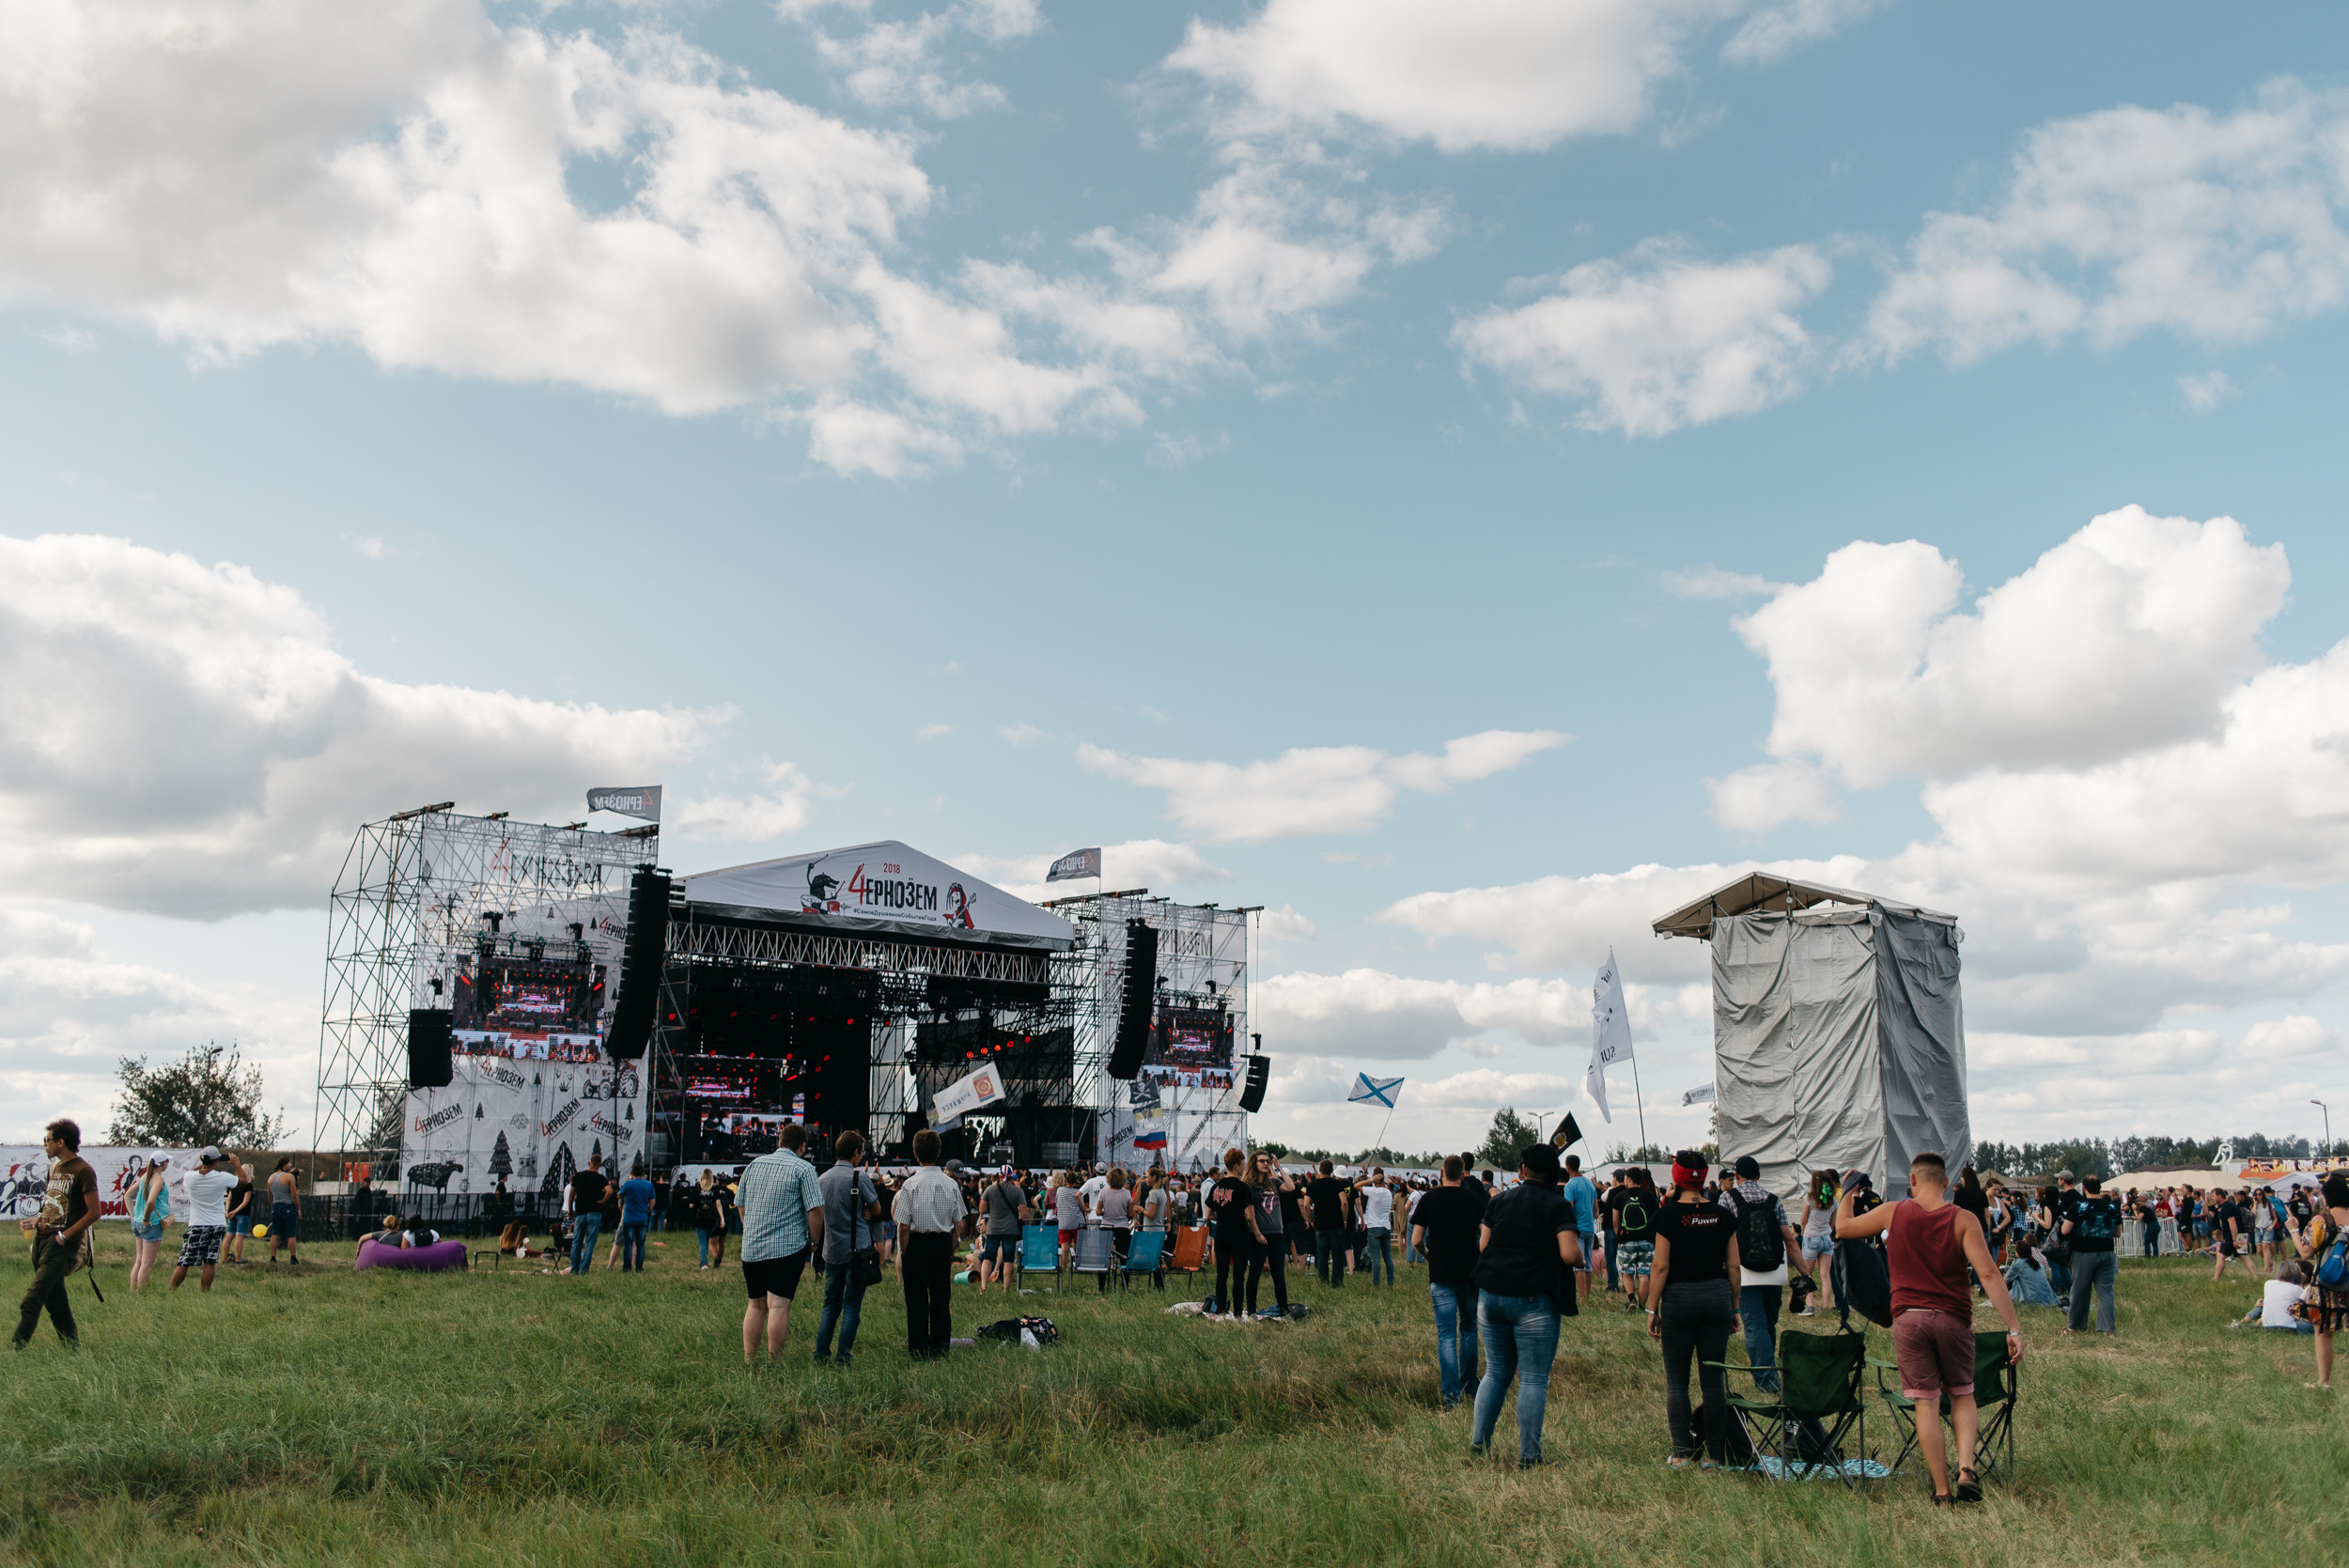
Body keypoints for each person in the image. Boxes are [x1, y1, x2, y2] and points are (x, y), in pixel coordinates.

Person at [1836, 1151, 2025, 1504]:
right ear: (1947, 1184)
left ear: (1912, 1181)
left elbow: (1843, 1228)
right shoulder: (1963, 1218)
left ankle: (1941, 1491)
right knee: (1963, 1392)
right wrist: (2013, 1328)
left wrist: (1847, 1190)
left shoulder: (1895, 1211)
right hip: (1953, 1317)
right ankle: (1967, 1468)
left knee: (1926, 1402)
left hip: (1908, 1319)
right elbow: (1988, 1273)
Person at [1470, 1143, 1578, 1467]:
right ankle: (1529, 1456)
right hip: (1534, 1300)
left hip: (1490, 1296)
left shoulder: (1499, 1201)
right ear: (1553, 1174)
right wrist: (1582, 1256)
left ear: (1521, 1170)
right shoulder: (1558, 1206)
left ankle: (1479, 1443)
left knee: (1495, 1372)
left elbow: (1484, 1246)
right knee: (1532, 1379)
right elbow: (1569, 1254)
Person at [1648, 1151, 1740, 1471]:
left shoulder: (1668, 1216)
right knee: (1713, 1381)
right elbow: (1733, 1266)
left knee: (1677, 1381)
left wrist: (1651, 1308)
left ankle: (1682, 1454)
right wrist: (1735, 1307)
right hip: (1716, 1298)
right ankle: (1715, 1456)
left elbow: (1660, 1266)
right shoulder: (1723, 1214)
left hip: (1679, 1300)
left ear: (1677, 1176)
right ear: (1703, 1178)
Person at [737, 1125, 826, 1364]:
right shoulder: (803, 1168)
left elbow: (740, 1203)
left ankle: (750, 1360)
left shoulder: (754, 1165)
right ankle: (774, 1362)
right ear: (802, 1146)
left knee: (755, 1305)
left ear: (779, 1141)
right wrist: (814, 1242)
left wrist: (750, 1230)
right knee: (778, 1306)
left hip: (752, 1248)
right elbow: (816, 1210)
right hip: (786, 1249)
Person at [15, 1120, 99, 1349]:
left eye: (48, 1140)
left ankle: (16, 1348)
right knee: (56, 1301)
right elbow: (53, 1205)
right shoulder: (54, 1168)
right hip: (42, 1240)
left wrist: (64, 1236)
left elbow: (94, 1212)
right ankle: (73, 1349)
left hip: (62, 1245)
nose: (45, 1145)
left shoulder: (84, 1171)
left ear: (60, 1143)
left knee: (33, 1298)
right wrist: (37, 1219)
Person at [1410, 1155, 1486, 1408]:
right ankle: (1469, 1385)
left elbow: (1416, 1240)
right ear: (1464, 1174)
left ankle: (1451, 1396)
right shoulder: (1476, 1200)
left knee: (1445, 1335)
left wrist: (1427, 1255)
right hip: (1469, 1273)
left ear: (1442, 1172)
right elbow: (1485, 1237)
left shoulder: (1429, 1198)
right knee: (1469, 1329)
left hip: (1440, 1272)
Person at [1720, 1155, 1800, 1393]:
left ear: (1736, 1176)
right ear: (1758, 1176)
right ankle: (1769, 1371)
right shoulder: (1773, 1200)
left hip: (1744, 1271)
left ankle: (1766, 1380)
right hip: (1773, 1271)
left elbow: (1723, 1237)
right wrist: (1805, 1273)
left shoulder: (1727, 1198)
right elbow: (1789, 1239)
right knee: (1768, 1322)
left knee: (1754, 1324)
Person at [893, 1128, 965, 1359]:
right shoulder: (951, 1184)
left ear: (915, 1153)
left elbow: (903, 1225)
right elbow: (960, 1224)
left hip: (916, 1244)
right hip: (942, 1242)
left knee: (916, 1299)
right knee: (941, 1298)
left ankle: (918, 1348)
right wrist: (951, 1246)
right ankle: (940, 1346)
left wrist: (904, 1251)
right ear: (939, 1152)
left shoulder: (910, 1185)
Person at [816, 1129, 883, 1367]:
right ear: (855, 1152)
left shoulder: (822, 1179)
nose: (862, 1157)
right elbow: (876, 1211)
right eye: (861, 1152)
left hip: (832, 1250)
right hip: (858, 1251)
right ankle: (843, 1355)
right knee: (851, 1306)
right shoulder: (860, 1178)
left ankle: (820, 1353)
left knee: (830, 1304)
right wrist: (865, 1210)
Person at [2288, 1172, 2349, 1390]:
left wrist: (2293, 1229)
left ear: (2327, 1197)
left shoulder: (2321, 1221)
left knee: (2324, 1334)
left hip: (2326, 1284)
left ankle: (2324, 1382)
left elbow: (2305, 1252)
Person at [170, 1146, 241, 1294]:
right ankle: (204, 1293)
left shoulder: (190, 1177)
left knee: (184, 1261)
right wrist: (236, 1164)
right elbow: (244, 1182)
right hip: (217, 1224)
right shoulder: (222, 1177)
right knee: (210, 1262)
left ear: (202, 1159)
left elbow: (191, 1172)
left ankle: (170, 1291)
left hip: (197, 1224)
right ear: (217, 1160)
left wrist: (205, 1164)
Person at [2064, 1174, 2124, 1335]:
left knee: (2080, 1290)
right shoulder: (2112, 1208)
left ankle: (2075, 1326)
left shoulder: (2078, 1207)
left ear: (2083, 1188)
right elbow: (2117, 1233)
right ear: (2100, 1187)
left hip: (2084, 1253)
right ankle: (2108, 1329)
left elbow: (2065, 1230)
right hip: (2107, 1252)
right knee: (2106, 1291)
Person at [1207, 1148, 1262, 1317]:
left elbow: (1208, 1214)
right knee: (1239, 1276)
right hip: (1239, 1235)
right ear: (1237, 1166)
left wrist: (1223, 1214)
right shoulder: (1243, 1188)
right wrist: (1240, 1215)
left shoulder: (1216, 1186)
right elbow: (1250, 1215)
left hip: (1222, 1233)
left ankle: (1221, 1310)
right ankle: (1238, 1311)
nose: (1244, 1168)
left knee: (1221, 1275)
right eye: (1243, 1165)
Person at [1245, 1152, 1294, 1318]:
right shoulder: (1249, 1186)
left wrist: (1278, 1167)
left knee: (1278, 1274)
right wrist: (1257, 1233)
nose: (1266, 1164)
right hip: (1259, 1235)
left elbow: (1291, 1187)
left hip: (1276, 1233)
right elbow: (1248, 1214)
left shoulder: (1273, 1182)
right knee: (1255, 1273)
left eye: (1267, 1161)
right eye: (1262, 1161)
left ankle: (1283, 1308)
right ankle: (1251, 1310)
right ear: (1254, 1163)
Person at [1613, 1167, 1660, 1310]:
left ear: (1628, 1179)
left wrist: (1619, 1238)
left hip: (1627, 1240)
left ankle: (1631, 1298)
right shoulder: (1649, 1196)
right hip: (1646, 1240)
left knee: (1626, 1272)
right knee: (1644, 1274)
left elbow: (1616, 1221)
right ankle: (1641, 1306)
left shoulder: (1619, 1197)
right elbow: (1656, 1220)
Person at [978, 1165, 1027, 1295]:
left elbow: (982, 1210)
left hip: (993, 1228)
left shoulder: (990, 1189)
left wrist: (994, 1209)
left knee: (988, 1257)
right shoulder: (1018, 1191)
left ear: (999, 1176)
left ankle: (983, 1287)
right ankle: (1006, 1289)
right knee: (1008, 1259)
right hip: (1010, 1229)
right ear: (1011, 1177)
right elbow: (1025, 1213)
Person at [1796, 1168, 1839, 1314]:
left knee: (1807, 1274)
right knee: (1825, 1275)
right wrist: (1827, 1231)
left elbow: (1803, 1220)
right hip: (1827, 1238)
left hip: (1811, 1237)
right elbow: (1833, 1222)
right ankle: (1825, 1307)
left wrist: (1803, 1232)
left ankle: (1810, 1307)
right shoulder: (1833, 1200)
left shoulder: (1810, 1198)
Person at [2235, 1260, 2315, 1334]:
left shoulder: (2268, 1284)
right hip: (2288, 1327)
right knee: (2315, 1326)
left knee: (2266, 1302)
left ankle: (2243, 1322)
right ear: (2296, 1274)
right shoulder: (2297, 1289)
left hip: (2267, 1326)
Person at [128, 1158, 173, 1291]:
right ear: (163, 1163)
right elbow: (151, 1201)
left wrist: (133, 1216)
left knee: (139, 1260)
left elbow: (127, 1195)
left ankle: (133, 1291)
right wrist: (146, 1218)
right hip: (151, 1224)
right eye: (167, 1161)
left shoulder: (145, 1177)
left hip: (137, 1223)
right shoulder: (158, 1179)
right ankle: (141, 1293)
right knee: (147, 1263)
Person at [1305, 1160, 1349, 1288]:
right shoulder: (1337, 1184)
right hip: (1336, 1224)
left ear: (1319, 1169)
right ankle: (1337, 1282)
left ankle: (1324, 1281)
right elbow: (1344, 1203)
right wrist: (1344, 1219)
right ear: (1332, 1170)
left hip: (1320, 1224)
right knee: (1337, 1255)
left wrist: (1311, 1220)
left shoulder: (1312, 1185)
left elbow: (1307, 1205)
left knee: (1322, 1255)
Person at [1561, 1156, 1598, 1304]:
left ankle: (1582, 1298)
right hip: (1590, 1227)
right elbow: (1596, 1209)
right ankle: (1587, 1295)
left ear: (1568, 1167)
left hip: (1578, 1228)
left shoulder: (1570, 1186)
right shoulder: (1590, 1184)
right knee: (1588, 1263)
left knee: (1579, 1265)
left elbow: (1568, 1207)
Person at [568, 1154, 609, 1276]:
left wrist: (571, 1209)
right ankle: (583, 1270)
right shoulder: (600, 1178)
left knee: (577, 1242)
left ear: (589, 1163)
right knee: (590, 1242)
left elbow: (571, 1195)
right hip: (594, 1212)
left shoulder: (578, 1176)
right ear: (600, 1165)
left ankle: (574, 1269)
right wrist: (602, 1201)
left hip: (580, 1212)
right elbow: (610, 1191)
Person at [615, 1161, 655, 1272]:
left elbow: (619, 1194)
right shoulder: (649, 1185)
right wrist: (646, 1211)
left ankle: (627, 1267)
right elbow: (652, 1202)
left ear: (632, 1173)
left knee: (628, 1244)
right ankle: (639, 1267)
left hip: (629, 1218)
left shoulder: (629, 1183)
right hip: (642, 1218)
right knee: (640, 1245)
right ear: (643, 1173)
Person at [2210, 1188, 2254, 1283]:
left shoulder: (2226, 1207)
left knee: (2221, 1255)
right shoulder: (2230, 1205)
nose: (2212, 1198)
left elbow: (2232, 1223)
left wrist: (2234, 1240)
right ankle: (2256, 1278)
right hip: (2240, 1234)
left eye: (2213, 1196)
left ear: (2220, 1196)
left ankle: (2215, 1279)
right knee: (2244, 1257)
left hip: (2232, 1236)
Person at [265, 1157, 303, 1265]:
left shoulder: (271, 1178)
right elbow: (294, 1195)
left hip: (276, 1206)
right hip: (288, 1207)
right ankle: (293, 1258)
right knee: (291, 1234)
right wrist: (298, 1208)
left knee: (275, 1233)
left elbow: (269, 1196)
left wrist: (273, 1207)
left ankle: (273, 1257)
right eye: (289, 1163)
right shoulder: (290, 1177)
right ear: (284, 1165)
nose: (290, 1165)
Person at [1051, 1171, 1085, 1280]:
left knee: (1064, 1248)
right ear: (1075, 1181)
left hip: (1064, 1222)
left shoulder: (1059, 1191)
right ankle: (1076, 1266)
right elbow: (1081, 1206)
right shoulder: (1078, 1192)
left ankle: (1064, 1267)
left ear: (1065, 1180)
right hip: (1077, 1222)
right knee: (1077, 1246)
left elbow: (1057, 1204)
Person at [225, 1162, 255, 1265]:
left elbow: (229, 1199)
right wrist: (236, 1211)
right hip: (243, 1214)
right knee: (239, 1236)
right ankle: (237, 1259)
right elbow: (245, 1202)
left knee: (229, 1236)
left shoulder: (233, 1184)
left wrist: (228, 1211)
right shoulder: (248, 1185)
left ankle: (224, 1259)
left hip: (231, 1214)